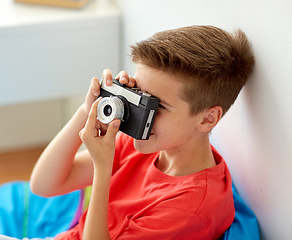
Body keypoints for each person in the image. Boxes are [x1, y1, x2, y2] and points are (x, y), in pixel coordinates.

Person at [30, 25, 255, 240]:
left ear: (207, 119)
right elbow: (44, 185)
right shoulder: (147, 143)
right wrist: (88, 110)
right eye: (138, 96)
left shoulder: (190, 208)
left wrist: (103, 167)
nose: (141, 117)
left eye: (157, 106)